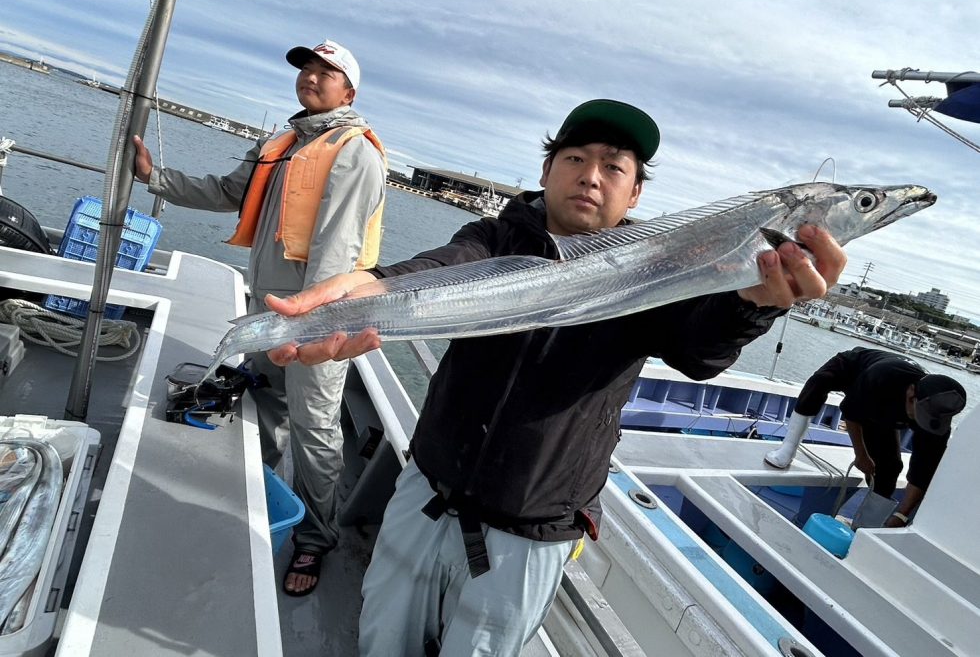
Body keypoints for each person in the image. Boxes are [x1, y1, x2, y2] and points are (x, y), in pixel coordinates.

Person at [264, 99, 846, 655]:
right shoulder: (496, 236)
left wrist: (755, 303)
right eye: (575, 159)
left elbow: (699, 350)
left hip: (533, 529)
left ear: (635, 191)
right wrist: (374, 286)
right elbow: (443, 267)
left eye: (613, 167)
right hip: (426, 490)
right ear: (546, 171)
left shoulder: (657, 271)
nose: (591, 176)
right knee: (382, 634)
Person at [132, 38, 387, 597]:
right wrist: (156, 177)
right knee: (267, 407)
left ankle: (316, 538)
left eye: (327, 72)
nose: (312, 78)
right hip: (266, 303)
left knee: (316, 428)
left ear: (349, 90)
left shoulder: (353, 151)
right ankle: (259, 497)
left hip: (314, 315)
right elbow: (228, 192)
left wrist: (307, 324)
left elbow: (336, 252)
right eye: (306, 70)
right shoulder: (283, 141)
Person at [764, 346, 967, 526]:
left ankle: (865, 526)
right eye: (920, 413)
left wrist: (902, 515)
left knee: (890, 468)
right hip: (854, 369)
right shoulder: (882, 377)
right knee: (819, 382)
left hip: (886, 411)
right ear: (911, 392)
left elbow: (924, 471)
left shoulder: (936, 422)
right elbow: (851, 413)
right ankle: (787, 449)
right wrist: (861, 455)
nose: (921, 421)